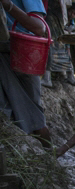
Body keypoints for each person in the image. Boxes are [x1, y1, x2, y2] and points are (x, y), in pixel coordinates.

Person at [1, 0, 52, 148]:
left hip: (22, 55)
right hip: (5, 56)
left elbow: (39, 27)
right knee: (6, 115)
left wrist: (8, 5)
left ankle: (51, 159)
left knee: (34, 117)